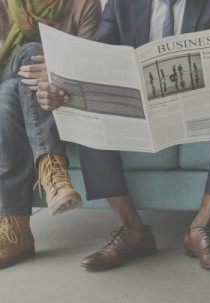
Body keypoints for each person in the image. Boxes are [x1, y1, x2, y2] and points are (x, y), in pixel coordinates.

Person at [36, 0, 210, 272]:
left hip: (195, 106)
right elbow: (93, 57)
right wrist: (57, 87)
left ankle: (200, 227)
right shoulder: (121, 5)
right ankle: (133, 230)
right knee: (90, 105)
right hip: (139, 108)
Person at [0, 0, 101, 268]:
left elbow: (89, 65)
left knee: (10, 92)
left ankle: (15, 230)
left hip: (59, 96)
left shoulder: (85, 4)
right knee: (30, 51)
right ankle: (53, 171)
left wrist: (57, 73)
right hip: (9, 69)